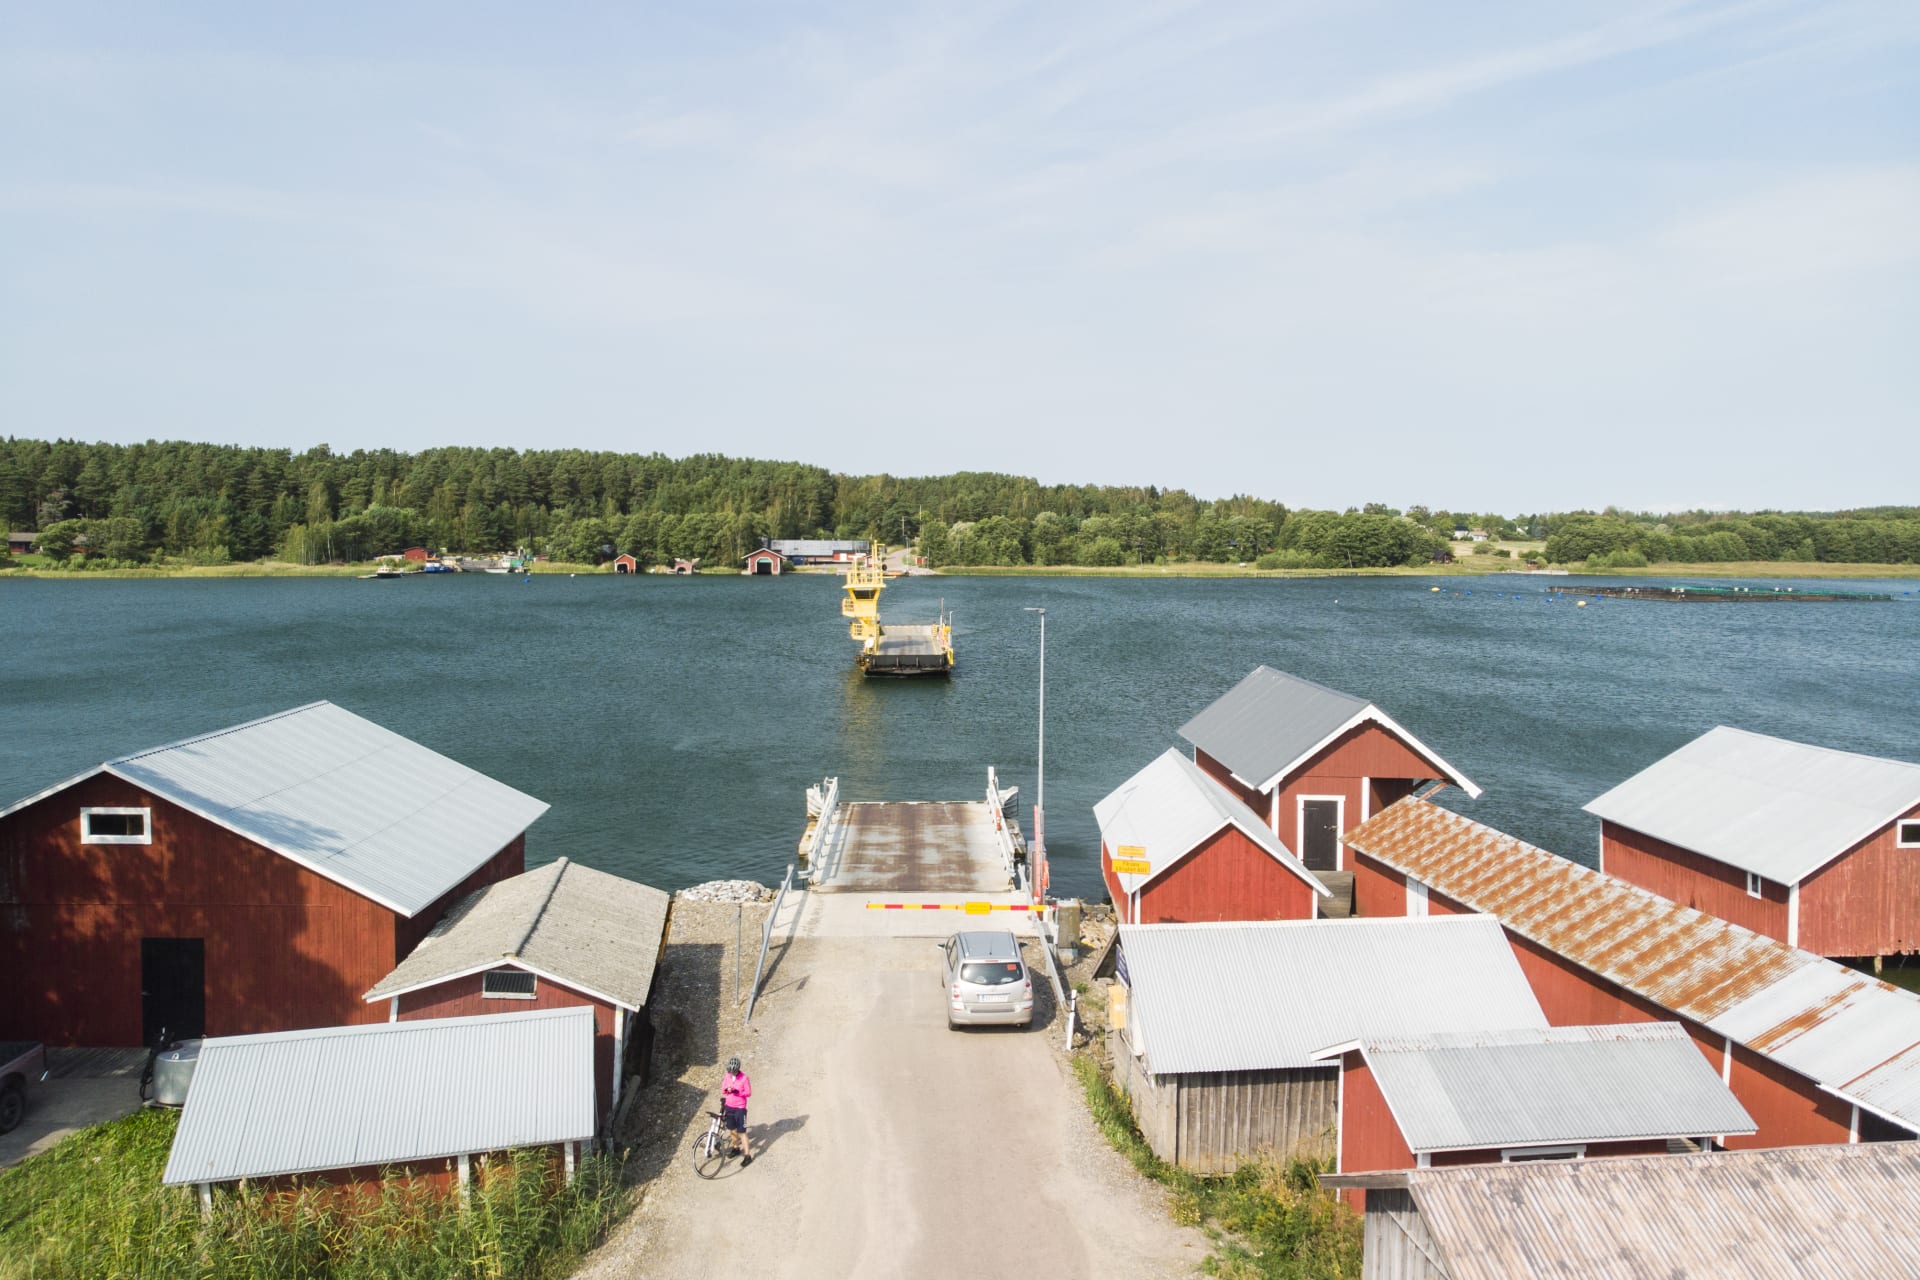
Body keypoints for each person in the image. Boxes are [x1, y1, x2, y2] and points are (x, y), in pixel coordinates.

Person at [721, 1056, 753, 1166]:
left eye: (733, 1071)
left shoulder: (744, 1078)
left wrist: (737, 1092)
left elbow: (748, 1093)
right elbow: (723, 1090)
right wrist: (727, 1090)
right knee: (732, 1129)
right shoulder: (727, 1076)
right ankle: (736, 1148)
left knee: (742, 1132)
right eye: (730, 1071)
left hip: (740, 1108)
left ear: (737, 1070)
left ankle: (747, 1155)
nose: (731, 1073)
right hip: (729, 1106)